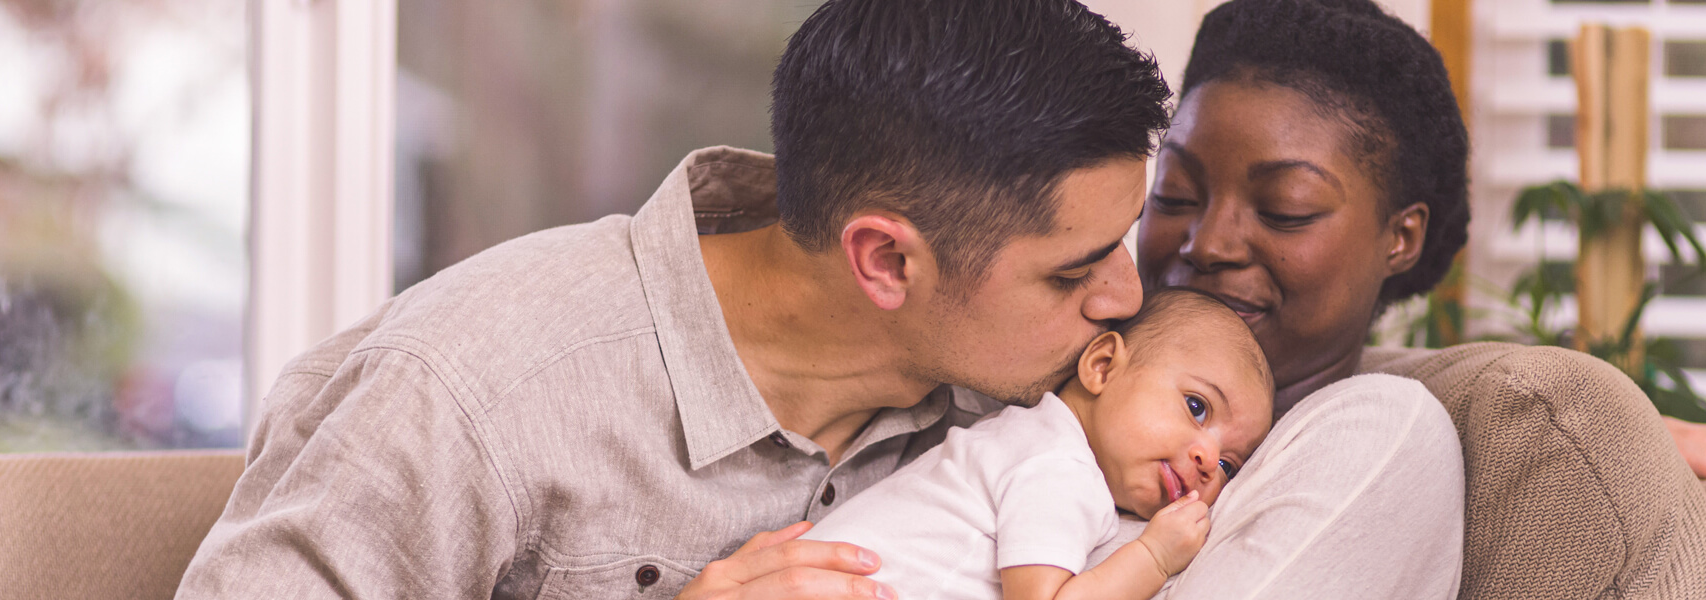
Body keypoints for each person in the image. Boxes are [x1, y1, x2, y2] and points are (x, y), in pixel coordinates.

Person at [173, 1, 1169, 598]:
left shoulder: (1027, 402)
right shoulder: (471, 389)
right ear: (885, 262)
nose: (1123, 296)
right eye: (1071, 270)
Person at [1128, 0, 1706, 597]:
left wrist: (1610, 439)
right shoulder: (1074, 366)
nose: (1207, 242)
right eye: (1176, 194)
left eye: (1284, 209)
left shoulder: (1371, 440)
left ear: (1400, 237)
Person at [803, 289, 1279, 600]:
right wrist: (1154, 557)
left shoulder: (1028, 436)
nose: (1208, 460)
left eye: (1230, 466)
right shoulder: (1057, 464)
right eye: (1197, 407)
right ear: (1104, 366)